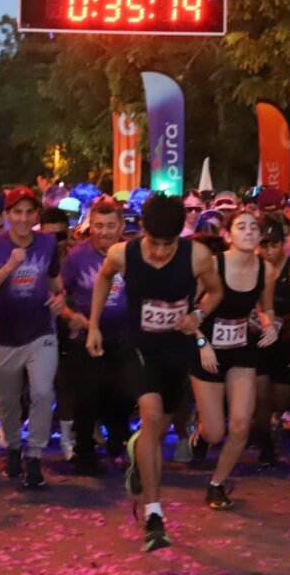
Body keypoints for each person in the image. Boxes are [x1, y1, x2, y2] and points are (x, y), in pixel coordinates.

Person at [85, 194, 223, 552]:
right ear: (141, 229)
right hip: (138, 346)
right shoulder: (122, 254)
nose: (161, 252)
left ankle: (139, 453)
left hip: (176, 349)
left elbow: (215, 291)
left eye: (169, 244)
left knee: (156, 430)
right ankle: (154, 514)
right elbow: (103, 280)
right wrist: (94, 326)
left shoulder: (197, 256)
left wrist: (199, 316)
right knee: (151, 412)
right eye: (155, 243)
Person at [190, 210, 279, 510]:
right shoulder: (213, 265)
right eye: (241, 227)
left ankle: (217, 484)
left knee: (241, 424)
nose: (250, 232)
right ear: (228, 235)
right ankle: (200, 435)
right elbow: (189, 314)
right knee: (215, 431)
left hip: (241, 348)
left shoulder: (265, 269)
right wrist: (202, 343)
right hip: (206, 347)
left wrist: (270, 326)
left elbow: (266, 308)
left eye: (255, 227)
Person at [0, 186, 63, 488]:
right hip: (4, 335)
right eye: (17, 212)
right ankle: (13, 447)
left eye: (29, 212)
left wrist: (60, 298)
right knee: (9, 400)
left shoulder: (48, 243)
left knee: (42, 393)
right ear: (7, 215)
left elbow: (55, 282)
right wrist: (10, 267)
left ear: (37, 215)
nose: (24, 218)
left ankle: (36, 456)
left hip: (41, 332)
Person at [59, 199, 132, 476]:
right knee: (87, 395)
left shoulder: (132, 253)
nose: (103, 232)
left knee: (123, 394)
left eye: (110, 226)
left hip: (124, 336)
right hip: (85, 338)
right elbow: (57, 294)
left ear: (121, 226)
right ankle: (85, 452)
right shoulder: (76, 257)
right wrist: (70, 316)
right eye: (98, 226)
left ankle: (119, 444)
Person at [253, 218, 290, 466]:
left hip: (284, 343)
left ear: (283, 244)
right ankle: (265, 445)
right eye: (265, 245)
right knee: (261, 396)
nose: (269, 251)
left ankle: (275, 423)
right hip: (257, 343)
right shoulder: (251, 267)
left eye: (274, 245)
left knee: (281, 399)